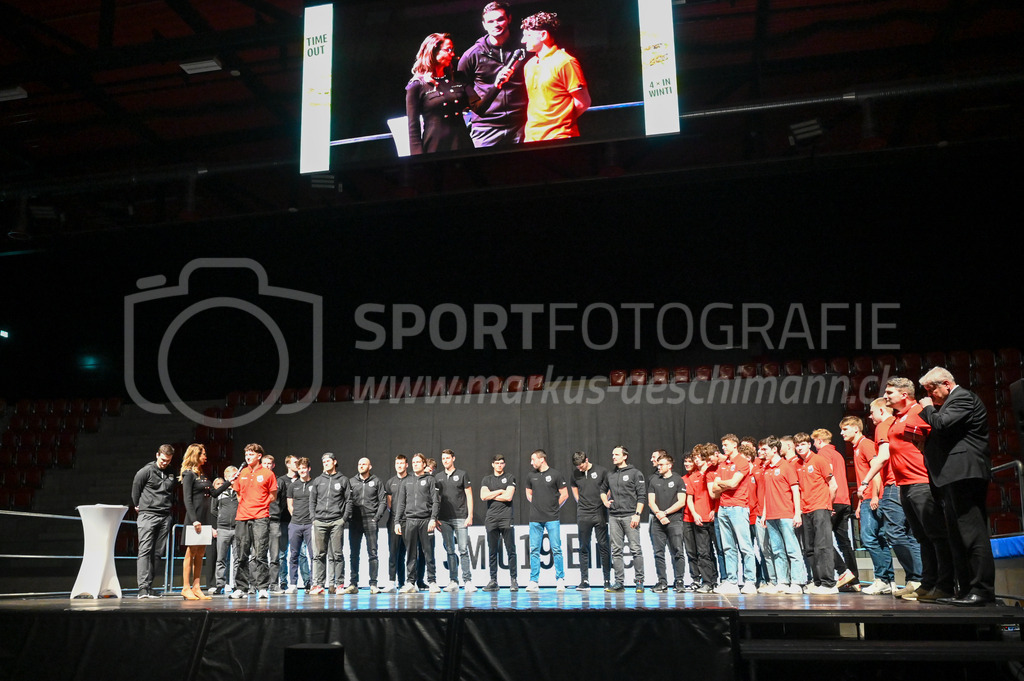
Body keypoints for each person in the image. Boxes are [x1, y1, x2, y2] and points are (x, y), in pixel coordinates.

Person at [859, 377, 953, 602]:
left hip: (921, 481)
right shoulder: (896, 419)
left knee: (935, 535)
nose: (886, 396)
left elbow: (937, 438)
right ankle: (927, 583)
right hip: (904, 484)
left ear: (904, 394)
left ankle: (945, 585)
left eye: (890, 392)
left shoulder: (919, 411)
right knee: (921, 536)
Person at [919, 367, 996, 606]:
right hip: (951, 476)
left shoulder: (962, 397)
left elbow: (942, 424)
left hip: (965, 473)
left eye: (931, 390)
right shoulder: (950, 402)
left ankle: (981, 590)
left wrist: (927, 408)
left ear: (946, 384)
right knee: (957, 536)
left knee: (972, 534)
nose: (929, 396)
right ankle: (965, 589)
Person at [406, 33, 508, 155]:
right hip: (436, 147)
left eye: (452, 50)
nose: (453, 54)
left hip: (462, 144)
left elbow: (479, 108)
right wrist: (418, 159)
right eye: (448, 50)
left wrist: (497, 85)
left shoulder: (458, 78)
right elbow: (413, 128)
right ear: (433, 51)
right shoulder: (417, 85)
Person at [457, 2, 528, 147]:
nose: (496, 24)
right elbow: (461, 87)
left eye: (500, 19)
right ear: (484, 25)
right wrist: (476, 106)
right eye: (490, 21)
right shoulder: (472, 55)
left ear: (509, 19)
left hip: (521, 124)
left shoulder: (524, 47)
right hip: (486, 127)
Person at [842, 415, 895, 595]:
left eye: (845, 429)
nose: (842, 433)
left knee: (869, 539)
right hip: (866, 499)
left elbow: (877, 471)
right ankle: (887, 579)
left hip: (873, 498)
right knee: (878, 538)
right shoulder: (857, 447)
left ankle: (882, 578)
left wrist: (874, 496)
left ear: (856, 429)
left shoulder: (865, 445)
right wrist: (860, 504)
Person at [520, 12, 590, 142]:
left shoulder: (565, 62)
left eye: (528, 35)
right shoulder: (529, 65)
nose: (523, 40)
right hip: (531, 139)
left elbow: (583, 103)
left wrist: (560, 123)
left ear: (543, 35)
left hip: (560, 137)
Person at [179, 443, 231, 600]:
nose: (205, 456)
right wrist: (194, 520)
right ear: (195, 455)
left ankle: (196, 587)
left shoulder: (201, 473)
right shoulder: (188, 474)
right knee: (191, 553)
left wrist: (229, 482)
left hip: (205, 517)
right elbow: (187, 499)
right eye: (203, 454)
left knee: (201, 553)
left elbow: (214, 493)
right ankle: (186, 587)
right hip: (194, 518)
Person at [811, 428, 859, 591]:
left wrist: (828, 503)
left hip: (833, 501)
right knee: (844, 542)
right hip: (844, 500)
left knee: (822, 540)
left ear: (819, 441)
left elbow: (828, 479)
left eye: (814, 441)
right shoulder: (837, 454)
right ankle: (854, 580)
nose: (814, 445)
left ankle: (842, 571)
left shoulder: (823, 454)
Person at [230, 443, 278, 599]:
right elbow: (238, 493)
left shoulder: (267, 473)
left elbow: (273, 495)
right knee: (241, 554)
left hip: (260, 517)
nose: (248, 457)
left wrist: (261, 505)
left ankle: (262, 587)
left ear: (259, 456)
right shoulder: (242, 472)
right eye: (246, 454)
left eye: (251, 454)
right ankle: (241, 587)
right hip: (242, 517)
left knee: (260, 553)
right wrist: (246, 505)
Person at [759, 436, 806, 595]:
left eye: (765, 449)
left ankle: (797, 582)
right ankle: (783, 581)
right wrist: (764, 514)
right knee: (777, 550)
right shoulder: (766, 469)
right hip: (771, 515)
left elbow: (795, 490)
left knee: (792, 549)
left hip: (785, 513)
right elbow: (766, 493)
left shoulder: (786, 466)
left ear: (774, 449)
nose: (762, 452)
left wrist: (797, 513)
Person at [710, 434, 756, 595]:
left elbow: (734, 483)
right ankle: (732, 581)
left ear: (735, 445)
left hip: (738, 507)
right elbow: (714, 489)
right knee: (728, 547)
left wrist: (721, 483)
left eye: (726, 445)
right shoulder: (723, 464)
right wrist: (725, 484)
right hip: (723, 508)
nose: (723, 448)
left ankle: (750, 581)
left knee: (745, 546)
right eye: (722, 445)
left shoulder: (742, 462)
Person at [795, 432, 838, 594]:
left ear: (809, 444)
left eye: (803, 444)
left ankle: (829, 584)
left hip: (820, 507)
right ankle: (818, 582)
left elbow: (833, 485)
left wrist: (828, 505)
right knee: (810, 548)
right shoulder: (798, 464)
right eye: (797, 445)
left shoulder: (819, 460)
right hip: (806, 509)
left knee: (823, 546)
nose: (800, 448)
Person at [131, 444, 176, 598]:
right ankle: (142, 588)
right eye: (163, 459)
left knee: (158, 553)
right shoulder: (146, 471)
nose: (165, 463)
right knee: (144, 550)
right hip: (148, 514)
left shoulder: (171, 471)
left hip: (165, 516)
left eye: (168, 460)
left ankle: (149, 586)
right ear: (157, 455)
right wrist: (138, 505)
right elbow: (136, 488)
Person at [395, 453, 441, 593]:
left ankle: (432, 581)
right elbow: (401, 503)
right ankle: (410, 583)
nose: (415, 464)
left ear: (424, 464)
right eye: (413, 462)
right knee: (411, 554)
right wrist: (397, 521)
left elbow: (436, 501)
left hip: (426, 520)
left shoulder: (430, 480)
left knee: (428, 552)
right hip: (410, 521)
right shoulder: (406, 481)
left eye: (418, 462)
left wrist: (433, 518)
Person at [525, 449, 568, 591]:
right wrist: (537, 505)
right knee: (534, 550)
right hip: (535, 518)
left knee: (556, 549)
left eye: (533, 459)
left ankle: (560, 579)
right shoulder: (531, 475)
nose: (531, 462)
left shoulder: (556, 474)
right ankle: (533, 581)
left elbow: (565, 494)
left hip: (552, 518)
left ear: (541, 459)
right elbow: (528, 493)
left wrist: (554, 507)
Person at [308, 452, 351, 596]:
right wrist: (313, 518)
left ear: (334, 462)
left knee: (337, 554)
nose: (326, 463)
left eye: (328, 461)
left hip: (336, 521)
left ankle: (339, 584)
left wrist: (343, 518)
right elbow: (312, 501)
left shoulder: (343, 480)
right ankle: (319, 585)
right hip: (319, 521)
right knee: (319, 555)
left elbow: (349, 501)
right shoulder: (318, 480)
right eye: (324, 462)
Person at [604, 445, 646, 593]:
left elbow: (641, 496)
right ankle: (619, 582)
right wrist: (605, 501)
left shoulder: (635, 473)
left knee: (635, 549)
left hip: (630, 515)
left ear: (625, 456)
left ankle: (639, 581)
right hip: (614, 516)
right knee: (616, 550)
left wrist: (637, 514)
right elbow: (602, 490)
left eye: (616, 454)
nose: (613, 457)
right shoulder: (610, 474)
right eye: (612, 454)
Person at [570, 450, 611, 591]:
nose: (579, 468)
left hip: (599, 513)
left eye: (581, 466)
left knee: (603, 546)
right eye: (577, 467)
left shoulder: (602, 471)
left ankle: (607, 580)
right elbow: (574, 487)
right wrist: (580, 501)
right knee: (583, 546)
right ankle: (584, 580)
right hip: (583, 514)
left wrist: (604, 500)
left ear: (586, 460)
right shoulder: (575, 473)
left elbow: (609, 488)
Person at [347, 457, 388, 594]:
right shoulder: (351, 482)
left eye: (364, 464)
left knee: (373, 553)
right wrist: (349, 517)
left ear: (370, 467)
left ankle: (373, 584)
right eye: (359, 464)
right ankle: (353, 583)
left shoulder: (376, 481)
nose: (361, 466)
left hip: (371, 520)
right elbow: (347, 501)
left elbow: (383, 501)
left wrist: (376, 518)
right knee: (354, 553)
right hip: (355, 521)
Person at [647, 451, 686, 593]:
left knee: (677, 551)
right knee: (658, 552)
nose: (659, 467)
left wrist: (666, 513)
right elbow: (651, 501)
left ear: (669, 466)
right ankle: (662, 582)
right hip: (658, 521)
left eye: (662, 465)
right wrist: (659, 514)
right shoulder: (654, 480)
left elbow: (681, 502)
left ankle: (679, 581)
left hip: (674, 520)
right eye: (658, 465)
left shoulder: (678, 480)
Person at [437, 449, 476, 592]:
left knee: (463, 550)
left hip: (460, 517)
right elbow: (435, 499)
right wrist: (435, 518)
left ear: (453, 458)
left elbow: (469, 495)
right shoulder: (438, 477)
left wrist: (470, 515)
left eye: (447, 458)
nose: (445, 461)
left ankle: (467, 581)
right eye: (443, 458)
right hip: (444, 519)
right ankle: (453, 581)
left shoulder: (462, 474)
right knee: (450, 550)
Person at [479, 454, 518, 591]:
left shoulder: (510, 477)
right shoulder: (487, 479)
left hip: (506, 518)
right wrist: (500, 491)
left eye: (501, 463)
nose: (499, 465)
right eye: (497, 463)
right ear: (493, 464)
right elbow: (483, 496)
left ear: (504, 464)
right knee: (492, 551)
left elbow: (508, 497)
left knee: (510, 550)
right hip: (491, 519)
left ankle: (513, 580)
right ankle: (493, 580)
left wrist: (492, 494)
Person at [683, 446, 717, 593]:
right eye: (694, 458)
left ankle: (717, 580)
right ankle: (707, 582)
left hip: (714, 518)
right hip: (699, 519)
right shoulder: (693, 477)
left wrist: (715, 510)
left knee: (718, 551)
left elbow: (718, 495)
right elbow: (689, 499)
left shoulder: (714, 472)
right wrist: (695, 514)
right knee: (703, 552)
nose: (696, 460)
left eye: (698, 457)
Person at [285, 458, 314, 593]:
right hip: (295, 524)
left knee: (314, 555)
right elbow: (290, 505)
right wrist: (295, 517)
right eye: (300, 468)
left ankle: (313, 583)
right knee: (294, 555)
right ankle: (293, 584)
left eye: (304, 468)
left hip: (310, 524)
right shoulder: (293, 485)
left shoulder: (315, 484)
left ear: (309, 469)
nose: (302, 470)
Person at [210, 466, 239, 596]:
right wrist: (222, 517)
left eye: (236, 476)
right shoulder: (219, 492)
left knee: (238, 559)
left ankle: (237, 585)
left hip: (237, 528)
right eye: (231, 476)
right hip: (222, 528)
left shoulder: (240, 491)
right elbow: (213, 509)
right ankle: (220, 585)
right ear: (226, 477)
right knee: (221, 558)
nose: (234, 478)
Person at [383, 455, 410, 592]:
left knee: (408, 554)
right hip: (394, 522)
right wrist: (396, 519)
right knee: (393, 553)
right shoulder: (390, 482)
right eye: (397, 463)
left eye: (402, 463)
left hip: (409, 521)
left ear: (406, 465)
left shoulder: (411, 480)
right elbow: (389, 503)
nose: (399, 465)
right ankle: (391, 582)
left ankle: (407, 582)